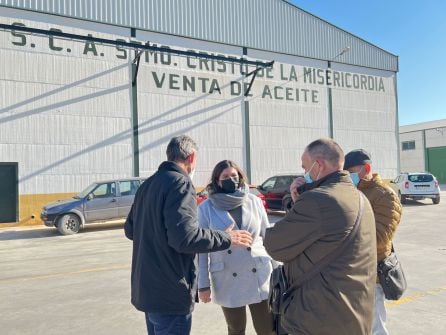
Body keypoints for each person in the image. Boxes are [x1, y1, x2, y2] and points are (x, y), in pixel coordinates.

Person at [124, 135, 253, 335]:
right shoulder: (180, 184)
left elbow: (130, 230)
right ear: (191, 158)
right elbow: (184, 238)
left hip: (148, 291)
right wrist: (228, 238)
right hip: (169, 295)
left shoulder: (147, 185)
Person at [264, 138, 377, 334]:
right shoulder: (360, 197)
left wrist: (300, 201)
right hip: (353, 313)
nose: (303, 173)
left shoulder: (317, 199)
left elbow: (275, 245)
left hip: (317, 317)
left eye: (304, 167)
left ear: (319, 165)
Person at [197, 160, 275, 335]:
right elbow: (201, 250)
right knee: (235, 329)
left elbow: (268, 236)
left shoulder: (254, 201)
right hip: (227, 278)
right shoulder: (205, 208)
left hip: (259, 273)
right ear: (217, 180)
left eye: (234, 176)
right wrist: (203, 285)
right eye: (225, 176)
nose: (231, 179)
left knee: (267, 329)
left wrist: (278, 270)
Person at [344, 149, 402, 335]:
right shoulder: (350, 192)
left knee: (375, 327)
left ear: (366, 168)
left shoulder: (386, 196)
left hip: (372, 274)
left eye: (351, 173)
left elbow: (380, 237)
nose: (348, 177)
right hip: (350, 273)